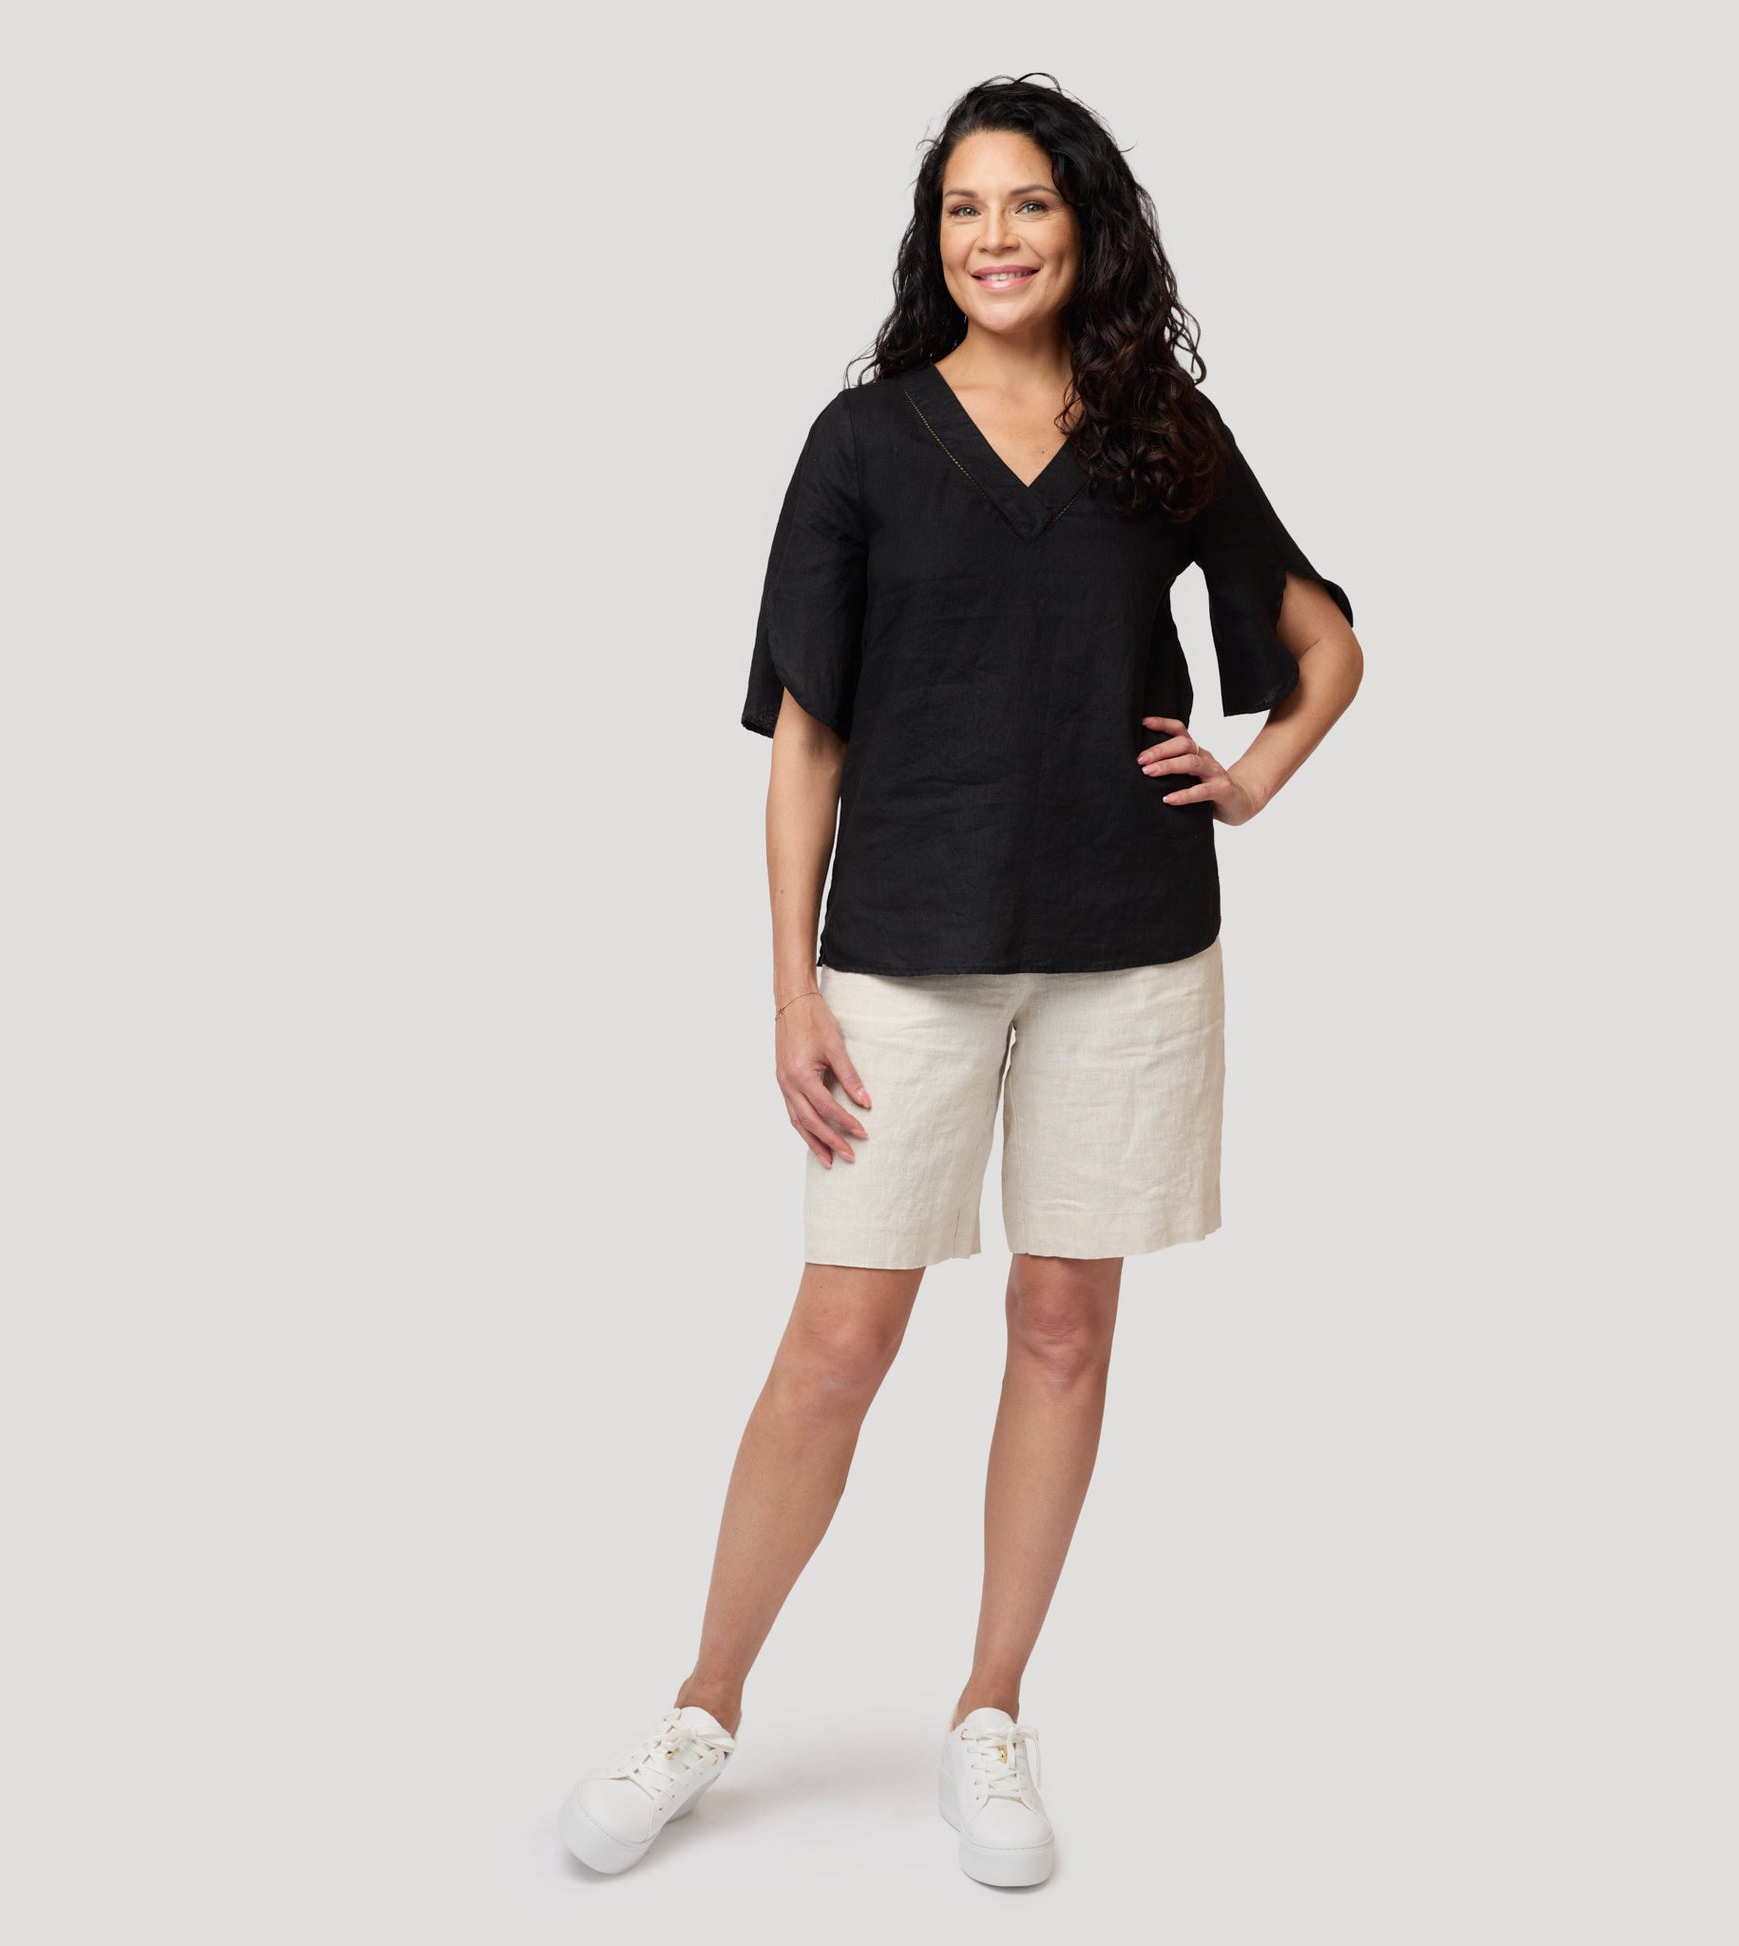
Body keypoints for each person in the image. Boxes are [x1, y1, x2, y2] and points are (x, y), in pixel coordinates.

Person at [557, 72, 1363, 1890]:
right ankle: (702, 1702)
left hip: (1127, 945)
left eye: (1027, 205)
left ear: (1085, 228)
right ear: (935, 239)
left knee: (1063, 1325)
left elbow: (1321, 642)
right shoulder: (862, 442)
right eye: (963, 209)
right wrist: (791, 987)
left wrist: (1250, 776)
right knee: (838, 1341)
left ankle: (988, 1709)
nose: (993, 238)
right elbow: (806, 736)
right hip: (903, 951)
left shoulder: (1159, 430)